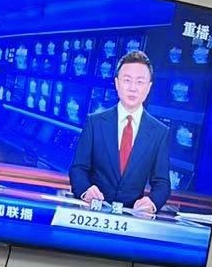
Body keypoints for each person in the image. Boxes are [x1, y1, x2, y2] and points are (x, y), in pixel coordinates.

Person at [68, 51, 171, 215]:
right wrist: (86, 190)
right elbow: (78, 168)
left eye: (140, 82)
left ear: (148, 87)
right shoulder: (95, 122)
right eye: (127, 80)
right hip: (94, 212)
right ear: (117, 83)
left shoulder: (159, 132)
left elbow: (162, 183)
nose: (133, 88)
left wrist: (152, 202)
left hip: (133, 217)